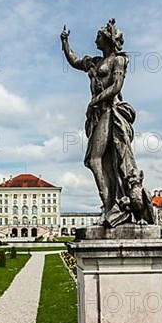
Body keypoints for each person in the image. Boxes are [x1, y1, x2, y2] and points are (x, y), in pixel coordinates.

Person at [61, 18, 149, 223]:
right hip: (98, 114)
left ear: (108, 40)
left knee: (96, 160)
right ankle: (109, 206)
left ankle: (111, 207)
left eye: (98, 37)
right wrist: (64, 43)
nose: (95, 41)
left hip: (111, 111)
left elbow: (116, 86)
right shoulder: (94, 62)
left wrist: (94, 101)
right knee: (100, 161)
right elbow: (74, 60)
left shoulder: (118, 60)